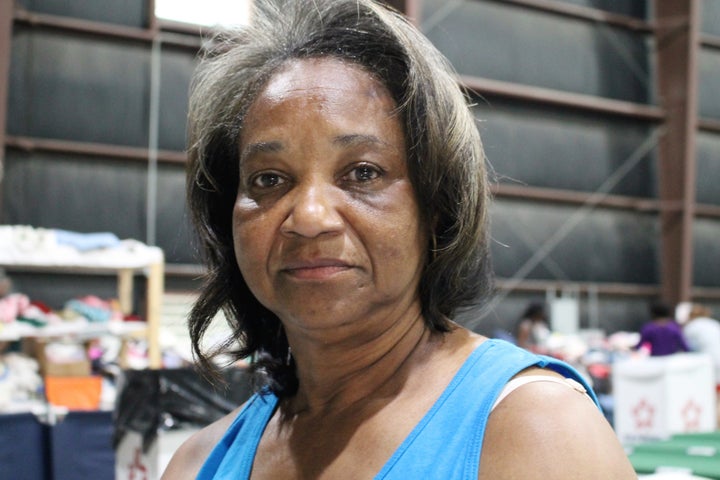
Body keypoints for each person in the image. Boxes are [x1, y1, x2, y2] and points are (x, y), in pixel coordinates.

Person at [162, 1, 635, 478]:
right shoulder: (196, 463)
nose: (308, 218)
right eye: (268, 179)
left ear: (436, 208)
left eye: (362, 173)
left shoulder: (536, 432)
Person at [680, 303, 720, 427]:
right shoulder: (713, 324)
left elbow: (684, 347)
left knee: (712, 398)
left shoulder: (691, 327)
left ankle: (714, 424)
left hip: (710, 366)